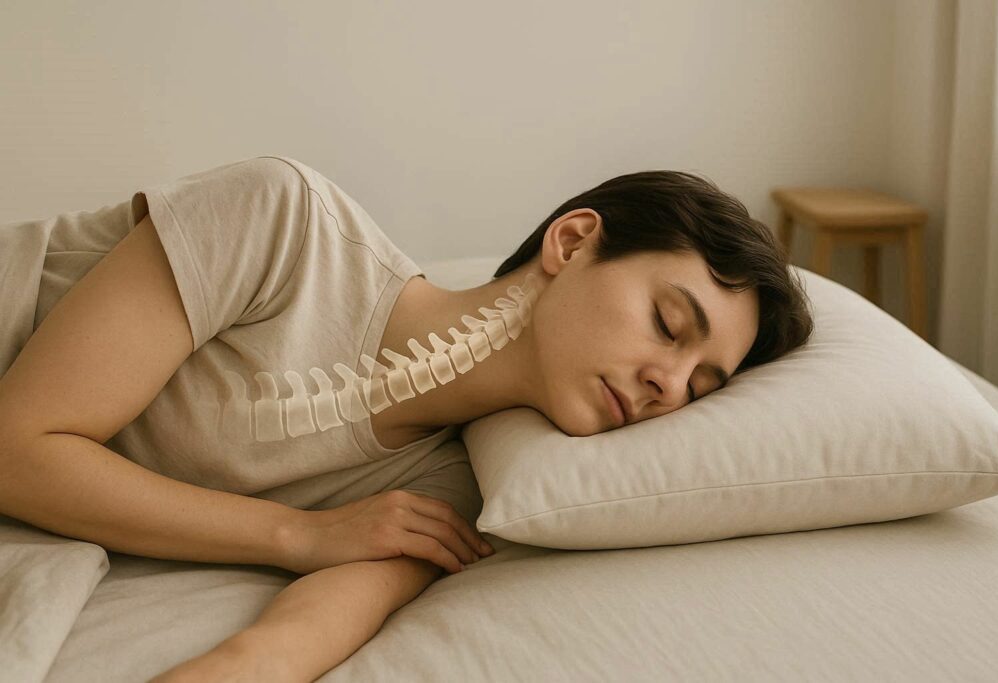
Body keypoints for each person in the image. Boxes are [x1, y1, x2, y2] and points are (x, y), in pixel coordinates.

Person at [0, 156, 812, 681]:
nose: (666, 385)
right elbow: (17, 448)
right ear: (570, 243)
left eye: (699, 387)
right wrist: (296, 533)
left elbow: (268, 659)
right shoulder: (288, 221)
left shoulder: (457, 488)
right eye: (670, 325)